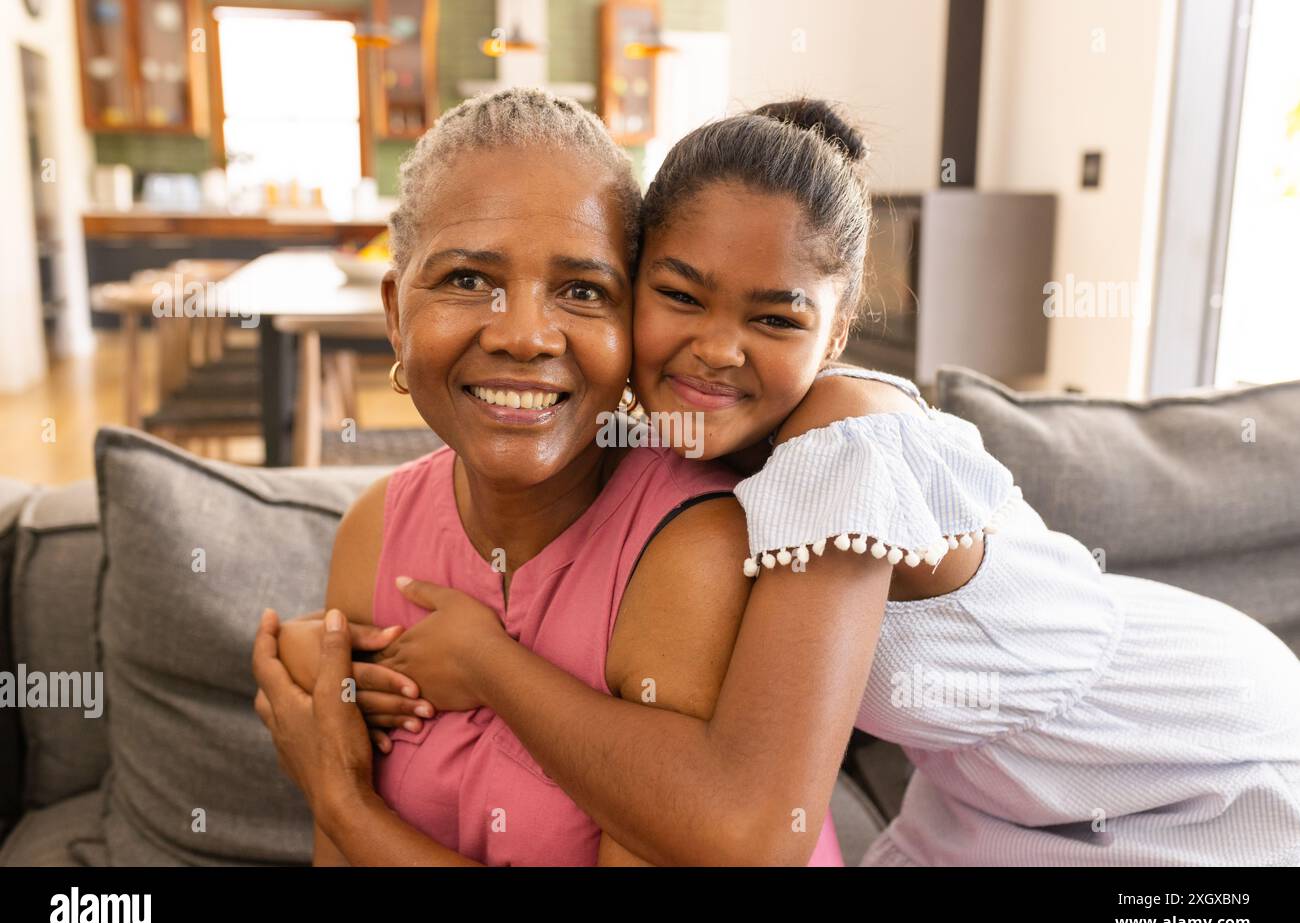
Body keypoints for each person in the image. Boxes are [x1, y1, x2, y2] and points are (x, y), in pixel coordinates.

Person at [366, 99, 1300, 866]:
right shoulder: (666, 445)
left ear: (839, 332)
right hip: (997, 800)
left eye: (776, 318)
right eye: (681, 295)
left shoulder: (848, 444)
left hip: (1197, 758)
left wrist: (489, 664)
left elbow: (752, 831)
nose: (717, 347)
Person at [250, 88, 844, 866]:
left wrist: (343, 803)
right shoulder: (376, 528)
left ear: (631, 327)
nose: (525, 335)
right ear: (397, 315)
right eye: (466, 279)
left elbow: (344, 823)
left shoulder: (693, 553)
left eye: (582, 290)